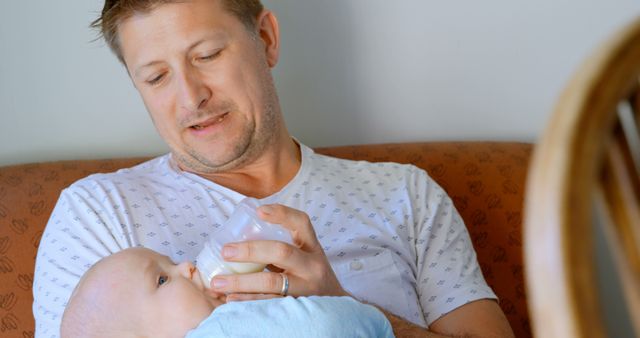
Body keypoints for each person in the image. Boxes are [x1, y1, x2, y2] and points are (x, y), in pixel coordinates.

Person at [33, 0, 515, 337]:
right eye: (156, 77)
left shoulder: (406, 193)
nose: (190, 97)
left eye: (206, 55)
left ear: (265, 39)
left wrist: (345, 304)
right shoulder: (96, 211)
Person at [60, 247, 394, 338]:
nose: (188, 265)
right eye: (162, 279)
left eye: (172, 262)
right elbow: (332, 326)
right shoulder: (223, 327)